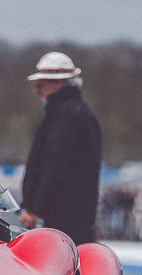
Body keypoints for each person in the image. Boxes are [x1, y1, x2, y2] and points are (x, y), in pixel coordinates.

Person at [20, 51, 102, 245]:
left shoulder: (66, 116)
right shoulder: (73, 112)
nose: (36, 90)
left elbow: (55, 165)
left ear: (57, 83)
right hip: (70, 217)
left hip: (63, 220)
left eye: (41, 84)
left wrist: (35, 209)